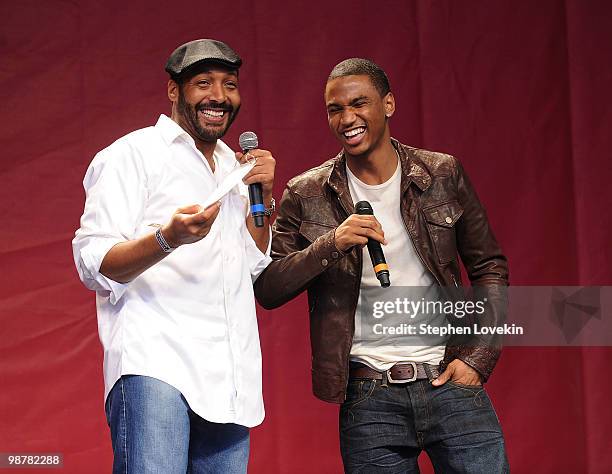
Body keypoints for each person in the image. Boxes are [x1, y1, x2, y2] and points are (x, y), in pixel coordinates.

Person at [254, 58, 509, 473]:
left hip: (450, 380)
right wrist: (331, 243)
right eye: (335, 109)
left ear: (388, 104)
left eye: (359, 104)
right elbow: (267, 288)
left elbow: (490, 268)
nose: (347, 118)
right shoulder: (306, 192)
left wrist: (477, 358)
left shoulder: (441, 173)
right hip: (368, 394)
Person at [72, 39, 276, 473]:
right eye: (203, 83)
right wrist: (168, 238)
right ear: (174, 91)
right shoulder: (131, 155)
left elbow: (253, 263)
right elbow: (93, 260)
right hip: (157, 364)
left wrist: (266, 195)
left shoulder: (234, 167)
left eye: (230, 85)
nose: (219, 96)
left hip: (229, 376)